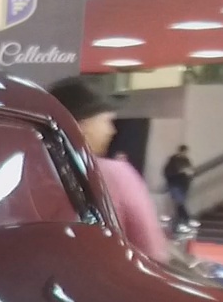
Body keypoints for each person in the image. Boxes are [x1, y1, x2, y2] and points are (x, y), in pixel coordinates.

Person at [46, 76, 175, 265]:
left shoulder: (33, 173)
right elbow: (151, 249)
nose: (112, 131)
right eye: (106, 121)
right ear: (82, 125)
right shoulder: (115, 174)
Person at [162, 144, 194, 227]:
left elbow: (190, 171)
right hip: (175, 184)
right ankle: (186, 218)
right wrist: (180, 171)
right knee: (179, 201)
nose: (184, 154)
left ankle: (179, 221)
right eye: (183, 152)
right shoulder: (173, 160)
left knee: (179, 203)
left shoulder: (186, 160)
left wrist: (189, 174)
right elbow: (168, 171)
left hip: (183, 185)